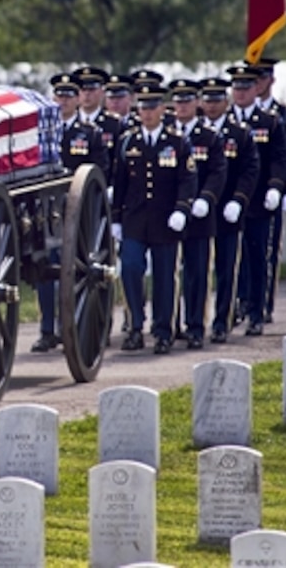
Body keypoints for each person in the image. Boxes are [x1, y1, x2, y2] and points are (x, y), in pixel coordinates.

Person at [111, 80, 197, 355]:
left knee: (164, 277)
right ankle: (135, 326)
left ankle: (163, 331)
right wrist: (115, 219)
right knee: (131, 268)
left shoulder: (177, 141)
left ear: (162, 108)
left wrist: (182, 209)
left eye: (152, 107)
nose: (147, 113)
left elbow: (187, 179)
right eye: (142, 107)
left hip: (165, 219)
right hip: (135, 220)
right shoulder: (128, 142)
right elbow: (120, 182)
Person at [31, 73, 109, 353]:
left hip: (79, 213)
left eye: (68, 96)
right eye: (58, 95)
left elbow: (100, 172)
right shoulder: (42, 133)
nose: (62, 101)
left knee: (74, 270)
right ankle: (47, 330)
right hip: (46, 210)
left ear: (78, 100)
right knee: (44, 268)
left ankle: (72, 328)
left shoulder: (90, 133)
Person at [228, 64, 286, 337]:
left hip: (258, 202)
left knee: (257, 256)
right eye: (236, 88)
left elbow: (280, 157)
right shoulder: (224, 122)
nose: (240, 93)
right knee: (230, 259)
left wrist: (277, 187)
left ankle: (257, 309)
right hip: (228, 203)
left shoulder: (270, 121)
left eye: (245, 87)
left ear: (256, 88)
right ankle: (231, 308)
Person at [198, 76, 260, 343]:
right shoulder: (194, 133)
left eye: (217, 100)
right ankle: (195, 321)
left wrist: (239, 200)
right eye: (207, 101)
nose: (212, 106)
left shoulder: (240, 133)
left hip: (227, 209)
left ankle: (222, 320)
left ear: (226, 101)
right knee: (197, 269)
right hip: (200, 210)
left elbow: (250, 170)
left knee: (226, 268)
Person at [169, 79, 227, 350]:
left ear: (197, 103)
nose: (182, 106)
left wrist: (206, 198)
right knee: (168, 272)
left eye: (187, 101)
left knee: (197, 272)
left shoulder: (210, 135)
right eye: (178, 101)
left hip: (200, 215)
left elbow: (218, 171)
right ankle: (169, 325)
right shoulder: (166, 134)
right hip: (169, 215)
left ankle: (195, 326)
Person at [254, 57, 286, 323]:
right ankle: (246, 300)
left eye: (261, 78)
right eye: (252, 79)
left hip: (271, 190)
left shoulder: (285, 115)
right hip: (245, 192)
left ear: (271, 80)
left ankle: (265, 302)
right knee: (247, 252)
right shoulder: (240, 114)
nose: (257, 84)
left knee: (269, 249)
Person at [72, 66, 124, 163]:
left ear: (102, 92)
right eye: (83, 89)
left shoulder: (114, 124)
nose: (87, 94)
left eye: (92, 89)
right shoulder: (69, 123)